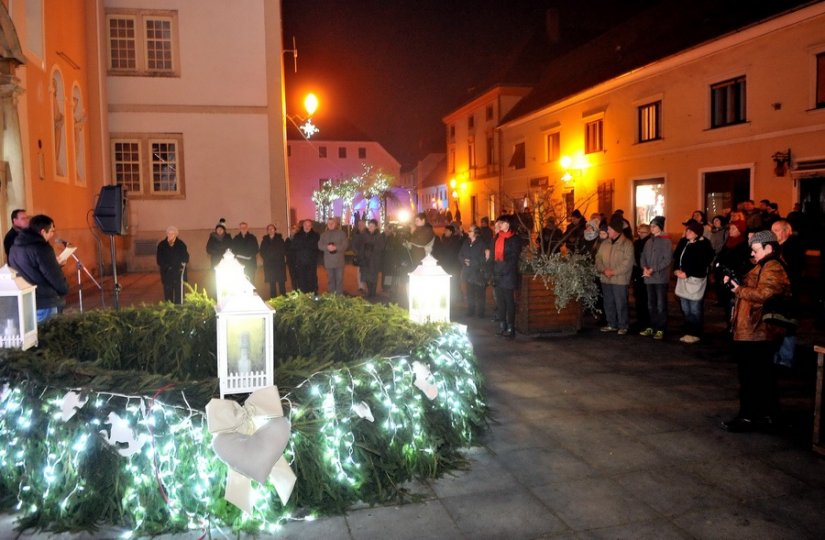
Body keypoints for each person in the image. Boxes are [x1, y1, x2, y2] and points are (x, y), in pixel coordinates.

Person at [721, 230, 791, 433]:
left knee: (753, 376)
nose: (753, 255)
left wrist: (739, 290)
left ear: (769, 247)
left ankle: (750, 417)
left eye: (756, 250)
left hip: (758, 330)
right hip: (753, 329)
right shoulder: (764, 264)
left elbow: (765, 293)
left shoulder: (773, 265)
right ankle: (766, 415)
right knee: (759, 375)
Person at [8, 214, 68, 322]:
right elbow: (53, 276)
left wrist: (55, 264)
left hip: (25, 301)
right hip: (44, 302)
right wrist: (64, 288)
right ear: (43, 232)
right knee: (49, 336)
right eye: (51, 231)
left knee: (32, 338)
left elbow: (29, 269)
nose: (52, 235)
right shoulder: (42, 248)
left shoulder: (14, 248)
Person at [672, 220, 715, 343]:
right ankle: (688, 330)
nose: (687, 232)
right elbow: (677, 257)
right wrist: (676, 270)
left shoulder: (703, 244)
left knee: (695, 308)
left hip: (695, 279)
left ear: (697, 233)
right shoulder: (684, 242)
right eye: (687, 230)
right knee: (685, 307)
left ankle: (696, 332)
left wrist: (687, 273)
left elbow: (702, 263)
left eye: (690, 231)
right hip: (682, 278)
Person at [595, 214, 634, 334]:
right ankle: (611, 323)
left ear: (617, 231)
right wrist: (603, 270)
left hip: (620, 279)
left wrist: (613, 272)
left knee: (620, 302)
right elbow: (598, 258)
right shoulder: (605, 243)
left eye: (610, 229)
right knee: (608, 302)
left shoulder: (627, 244)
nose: (607, 231)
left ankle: (623, 325)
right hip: (606, 278)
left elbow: (627, 263)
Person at [640, 216, 671, 339]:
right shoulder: (649, 241)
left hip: (660, 278)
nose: (651, 228)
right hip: (649, 277)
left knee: (660, 304)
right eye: (651, 226)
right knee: (650, 304)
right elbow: (643, 256)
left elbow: (667, 260)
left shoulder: (666, 241)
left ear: (660, 227)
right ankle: (652, 326)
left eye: (654, 226)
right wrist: (644, 267)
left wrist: (654, 268)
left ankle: (661, 328)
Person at [492, 215, 521, 338]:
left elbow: (513, 258)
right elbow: (493, 254)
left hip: (508, 274)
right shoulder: (498, 237)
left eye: (502, 222)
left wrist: (502, 270)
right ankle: (502, 326)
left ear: (508, 224)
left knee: (509, 302)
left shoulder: (514, 239)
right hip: (498, 273)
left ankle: (511, 328)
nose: (500, 224)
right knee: (500, 301)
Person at [459, 225, 490, 318]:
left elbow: (484, 258)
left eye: (470, 231)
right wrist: (464, 260)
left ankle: (480, 313)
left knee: (480, 294)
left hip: (478, 272)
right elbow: (460, 254)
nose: (468, 232)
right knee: (469, 293)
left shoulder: (482, 244)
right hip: (468, 272)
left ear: (475, 233)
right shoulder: (466, 242)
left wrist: (472, 262)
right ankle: (470, 310)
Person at [156, 225, 189, 304]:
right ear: (166, 234)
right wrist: (167, 267)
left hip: (178, 273)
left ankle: (178, 310)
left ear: (176, 234)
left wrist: (180, 265)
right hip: (167, 273)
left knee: (179, 294)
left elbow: (186, 257)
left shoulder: (181, 244)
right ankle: (169, 310)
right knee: (168, 294)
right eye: (169, 233)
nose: (170, 235)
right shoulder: (162, 245)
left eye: (172, 234)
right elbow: (159, 259)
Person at [318, 217, 349, 294]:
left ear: (336, 224)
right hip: (328, 261)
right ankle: (331, 297)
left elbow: (345, 245)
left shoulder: (341, 233)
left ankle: (339, 297)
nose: (331, 225)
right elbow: (319, 245)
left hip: (339, 261)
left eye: (332, 223)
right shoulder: (323, 235)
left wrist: (336, 247)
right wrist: (327, 247)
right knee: (330, 280)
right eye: (329, 223)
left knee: (339, 280)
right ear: (327, 225)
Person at [357, 219, 386, 298]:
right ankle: (369, 292)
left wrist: (372, 247)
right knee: (366, 277)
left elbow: (381, 247)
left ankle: (373, 293)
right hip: (365, 260)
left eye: (372, 226)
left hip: (374, 260)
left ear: (376, 227)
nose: (370, 227)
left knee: (373, 277)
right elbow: (360, 245)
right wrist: (363, 252)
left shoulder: (379, 236)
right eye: (369, 226)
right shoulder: (364, 235)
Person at [632, 223, 652, 330]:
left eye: (643, 232)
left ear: (648, 232)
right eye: (639, 231)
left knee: (646, 298)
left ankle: (647, 321)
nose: (640, 234)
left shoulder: (650, 242)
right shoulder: (636, 243)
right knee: (638, 297)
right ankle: (640, 319)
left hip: (646, 272)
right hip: (637, 272)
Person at [291, 219, 320, 294]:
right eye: (305, 225)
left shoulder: (316, 235)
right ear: (302, 226)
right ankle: (303, 297)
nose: (307, 227)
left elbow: (318, 249)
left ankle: (313, 296)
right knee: (301, 280)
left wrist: (314, 258)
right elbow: (293, 249)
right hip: (300, 263)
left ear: (311, 226)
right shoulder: (297, 236)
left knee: (312, 280)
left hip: (311, 263)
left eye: (309, 225)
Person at [259, 224, 287, 298]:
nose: (270, 230)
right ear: (267, 231)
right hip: (269, 264)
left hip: (279, 264)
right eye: (269, 229)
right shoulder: (264, 240)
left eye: (272, 229)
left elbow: (283, 250)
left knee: (281, 282)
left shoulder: (280, 239)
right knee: (272, 282)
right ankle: (273, 298)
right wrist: (267, 257)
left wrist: (275, 256)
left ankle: (283, 297)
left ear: (275, 230)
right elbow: (262, 251)